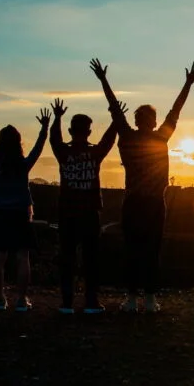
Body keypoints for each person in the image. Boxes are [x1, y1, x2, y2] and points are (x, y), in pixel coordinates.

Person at [90, 58, 194, 313]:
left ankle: (131, 298)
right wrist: (187, 83)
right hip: (154, 203)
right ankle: (150, 299)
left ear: (137, 119)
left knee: (132, 250)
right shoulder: (161, 137)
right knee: (152, 250)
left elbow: (114, 108)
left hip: (132, 202)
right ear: (152, 121)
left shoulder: (128, 137)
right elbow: (176, 110)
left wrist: (103, 80)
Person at [49, 98, 127, 315]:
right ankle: (91, 301)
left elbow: (54, 139)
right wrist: (115, 119)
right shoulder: (94, 153)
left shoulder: (63, 153)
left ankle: (66, 302)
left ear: (71, 130)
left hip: (67, 213)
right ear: (89, 131)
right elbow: (108, 140)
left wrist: (56, 117)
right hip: (90, 213)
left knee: (67, 258)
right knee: (91, 259)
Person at [0, 108, 51, 312]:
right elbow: (38, 148)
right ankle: (21, 300)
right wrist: (44, 129)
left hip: (1, 214)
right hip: (21, 214)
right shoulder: (22, 164)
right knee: (23, 257)